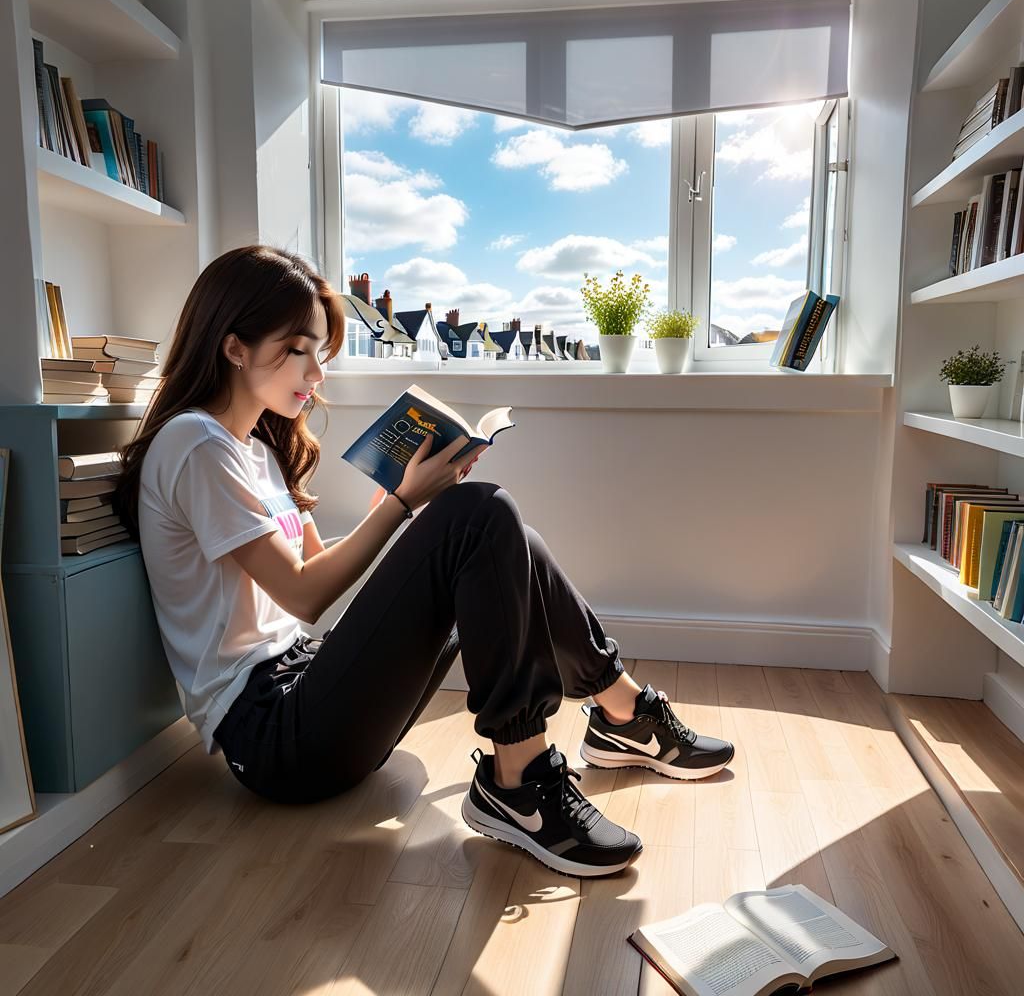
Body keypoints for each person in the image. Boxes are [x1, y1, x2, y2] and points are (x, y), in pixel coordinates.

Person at [114, 245, 735, 879]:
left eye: (318, 353)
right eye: (298, 348)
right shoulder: (193, 443)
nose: (316, 373)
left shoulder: (258, 452)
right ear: (233, 345)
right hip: (274, 736)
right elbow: (304, 594)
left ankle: (621, 711)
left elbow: (312, 570)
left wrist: (396, 501)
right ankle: (517, 782)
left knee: (510, 536)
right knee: (478, 513)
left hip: (311, 681)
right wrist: (406, 505)